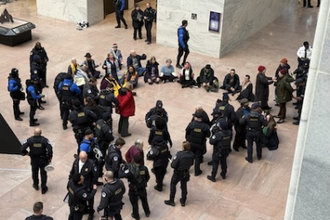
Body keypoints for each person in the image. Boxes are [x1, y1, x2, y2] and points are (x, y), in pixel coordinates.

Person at [21, 128, 53, 194]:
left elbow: (22, 149)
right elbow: (50, 149)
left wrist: (27, 153)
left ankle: (36, 185)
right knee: (43, 173)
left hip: (34, 159)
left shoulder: (30, 140)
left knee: (34, 172)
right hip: (43, 160)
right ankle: (43, 188)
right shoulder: (44, 140)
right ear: (41, 133)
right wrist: (50, 157)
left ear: (34, 133)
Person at [119, 155, 150, 220]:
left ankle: (136, 215)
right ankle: (147, 212)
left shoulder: (130, 170)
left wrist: (121, 168)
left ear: (134, 160)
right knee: (144, 200)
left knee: (134, 203)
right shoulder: (144, 168)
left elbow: (120, 175)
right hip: (142, 188)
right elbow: (148, 177)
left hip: (133, 189)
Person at [69, 151, 98, 220]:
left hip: (87, 186)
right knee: (81, 200)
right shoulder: (76, 162)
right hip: (78, 185)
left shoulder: (91, 164)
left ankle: (91, 212)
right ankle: (84, 209)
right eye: (82, 158)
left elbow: (95, 176)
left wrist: (93, 185)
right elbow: (72, 172)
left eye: (85, 158)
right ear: (79, 157)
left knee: (90, 201)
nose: (84, 159)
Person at [164, 141, 194, 207]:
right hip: (186, 173)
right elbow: (192, 163)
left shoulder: (179, 154)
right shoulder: (191, 154)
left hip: (178, 173)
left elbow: (173, 165)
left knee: (173, 184)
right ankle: (183, 200)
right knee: (184, 186)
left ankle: (171, 200)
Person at [185, 111, 210, 176]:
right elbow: (208, 135)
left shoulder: (191, 124)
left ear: (196, 118)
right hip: (200, 144)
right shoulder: (205, 126)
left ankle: (186, 169)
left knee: (190, 156)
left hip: (191, 143)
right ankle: (197, 171)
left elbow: (187, 132)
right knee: (198, 158)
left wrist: (187, 140)